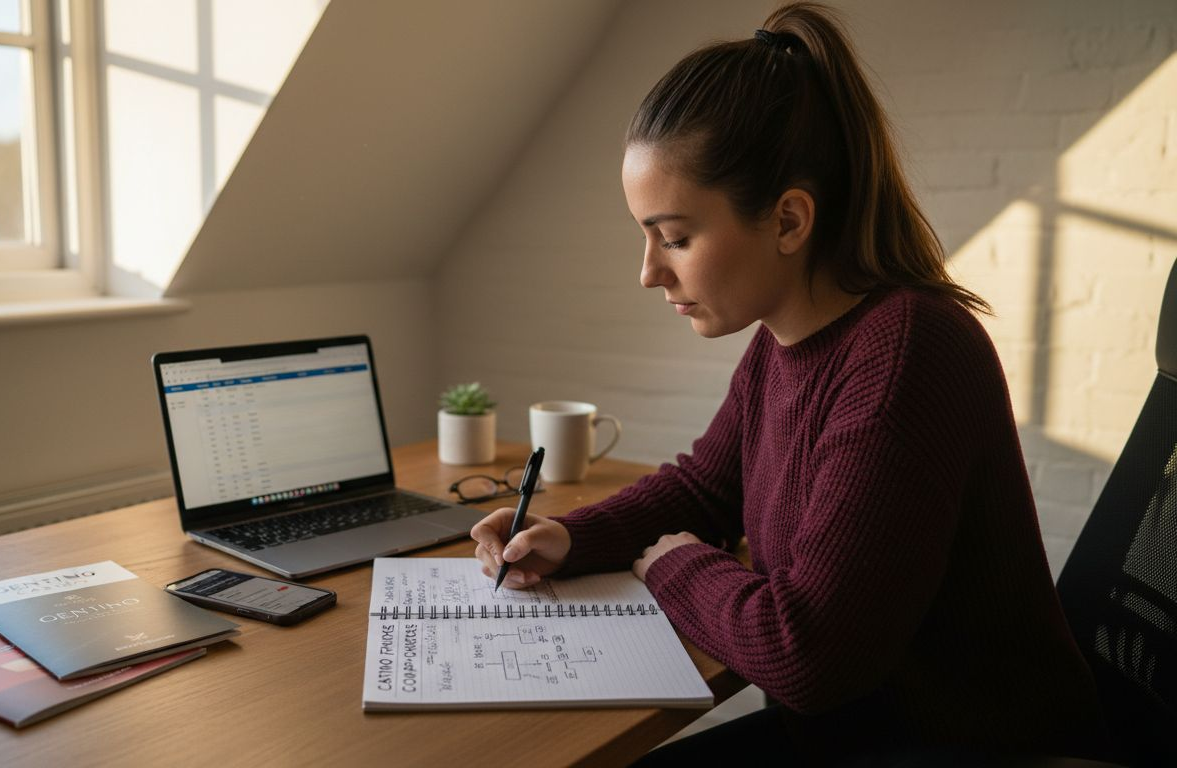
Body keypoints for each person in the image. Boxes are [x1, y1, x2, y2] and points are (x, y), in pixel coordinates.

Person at [471, 2, 1107, 763]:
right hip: (855, 738)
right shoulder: (783, 343)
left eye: (675, 237)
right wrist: (572, 537)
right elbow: (705, 489)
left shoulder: (908, 353)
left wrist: (677, 566)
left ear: (789, 221)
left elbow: (807, 653)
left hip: (963, 748)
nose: (649, 272)